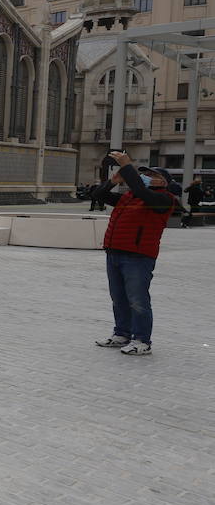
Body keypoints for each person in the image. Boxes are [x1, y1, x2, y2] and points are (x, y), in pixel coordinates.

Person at [93, 152, 180, 356]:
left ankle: (142, 340)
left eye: (152, 174)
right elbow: (98, 196)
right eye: (144, 173)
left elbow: (141, 191)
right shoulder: (129, 197)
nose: (146, 176)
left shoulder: (163, 199)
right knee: (119, 298)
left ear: (164, 182)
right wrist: (113, 181)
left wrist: (126, 165)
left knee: (138, 300)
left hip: (138, 257)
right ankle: (122, 334)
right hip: (114, 253)